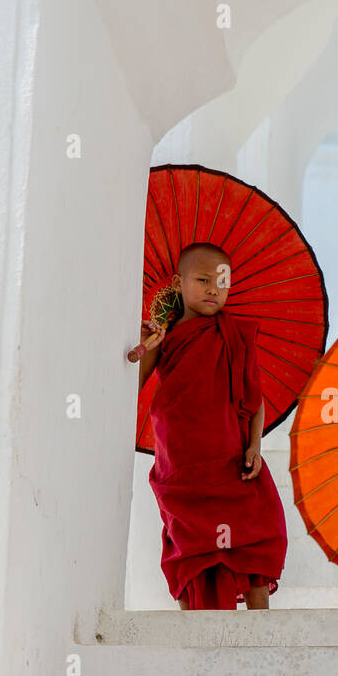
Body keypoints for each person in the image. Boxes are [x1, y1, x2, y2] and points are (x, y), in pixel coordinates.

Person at [137, 242, 287, 609]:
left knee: (254, 529)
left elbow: (256, 400)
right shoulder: (166, 335)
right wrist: (145, 346)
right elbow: (135, 385)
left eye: (221, 282)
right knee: (188, 540)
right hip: (181, 463)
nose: (213, 289)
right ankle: (196, 630)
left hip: (228, 458)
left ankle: (259, 628)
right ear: (178, 282)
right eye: (203, 280)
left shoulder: (235, 335)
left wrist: (255, 447)